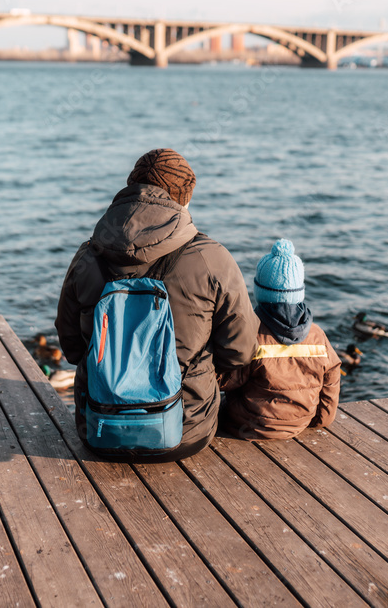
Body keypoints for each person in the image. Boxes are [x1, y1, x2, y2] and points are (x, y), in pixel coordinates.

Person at [56, 148, 259, 461]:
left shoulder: (87, 257)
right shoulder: (211, 258)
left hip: (98, 428)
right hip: (185, 430)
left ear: (129, 189)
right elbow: (240, 351)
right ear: (185, 199)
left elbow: (71, 348)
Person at [218, 239, 342, 440]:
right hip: (300, 422)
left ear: (260, 292)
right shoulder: (318, 334)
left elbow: (226, 381)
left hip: (249, 424)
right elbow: (332, 376)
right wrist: (321, 419)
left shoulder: (251, 333)